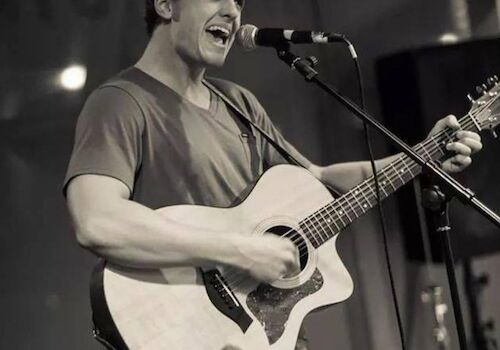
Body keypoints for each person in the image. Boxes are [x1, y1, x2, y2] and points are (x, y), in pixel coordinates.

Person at [64, 0, 483, 349]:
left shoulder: (237, 102)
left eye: (240, 0)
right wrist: (241, 251)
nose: (233, 10)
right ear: (165, 3)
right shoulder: (120, 103)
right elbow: (97, 221)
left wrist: (422, 156)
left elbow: (319, 180)